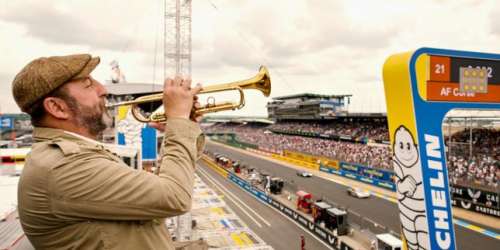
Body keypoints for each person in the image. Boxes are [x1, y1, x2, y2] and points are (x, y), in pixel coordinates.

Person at [12, 54, 205, 249]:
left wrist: (182, 126)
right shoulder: (64, 165)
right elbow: (174, 196)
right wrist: (178, 121)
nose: (103, 90)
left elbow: (154, 198)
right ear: (57, 107)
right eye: (88, 85)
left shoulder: (75, 155)